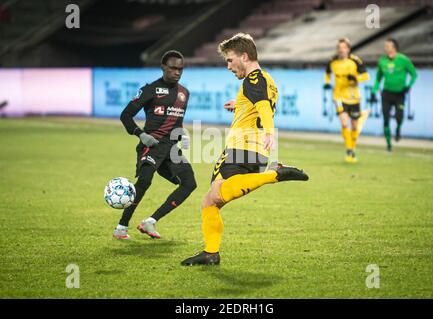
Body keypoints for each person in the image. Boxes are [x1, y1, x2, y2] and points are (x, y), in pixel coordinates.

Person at [181, 33, 309, 266]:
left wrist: (270, 131)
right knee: (210, 201)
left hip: (243, 147)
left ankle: (275, 174)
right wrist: (239, 105)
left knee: (216, 195)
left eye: (230, 60)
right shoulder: (266, 79)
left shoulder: (252, 80)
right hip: (252, 149)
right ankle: (210, 253)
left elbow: (264, 109)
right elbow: (258, 104)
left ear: (244, 56)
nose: (228, 66)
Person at [113, 50, 197, 240]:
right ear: (163, 67)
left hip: (171, 149)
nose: (177, 72)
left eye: (180, 69)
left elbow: (177, 120)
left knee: (189, 184)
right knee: (144, 182)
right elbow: (125, 115)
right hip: (151, 145)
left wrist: (181, 134)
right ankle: (121, 227)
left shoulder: (184, 93)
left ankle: (151, 221)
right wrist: (140, 135)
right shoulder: (150, 89)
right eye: (173, 68)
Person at [324, 38, 370, 163]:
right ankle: (349, 150)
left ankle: (352, 149)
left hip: (354, 97)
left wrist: (355, 78)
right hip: (338, 96)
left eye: (344, 47)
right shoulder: (332, 61)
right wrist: (327, 83)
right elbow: (327, 73)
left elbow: (366, 76)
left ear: (348, 49)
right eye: (339, 47)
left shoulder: (355, 61)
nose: (341, 50)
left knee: (354, 126)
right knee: (344, 123)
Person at [370, 38, 417, 152]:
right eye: (385, 46)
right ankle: (389, 144)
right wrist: (374, 91)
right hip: (386, 94)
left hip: (399, 94)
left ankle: (398, 128)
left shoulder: (403, 60)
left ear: (394, 47)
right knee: (385, 118)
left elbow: (414, 74)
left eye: (388, 46)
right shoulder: (382, 61)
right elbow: (378, 79)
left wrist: (408, 86)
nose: (385, 48)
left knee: (399, 116)